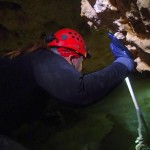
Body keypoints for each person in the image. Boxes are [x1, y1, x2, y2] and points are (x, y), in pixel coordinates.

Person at [0, 28, 134, 134]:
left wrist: (42, 117)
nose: (80, 69)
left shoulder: (31, 61)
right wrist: (123, 63)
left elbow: (16, 99)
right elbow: (81, 91)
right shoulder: (44, 60)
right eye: (81, 62)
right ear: (72, 58)